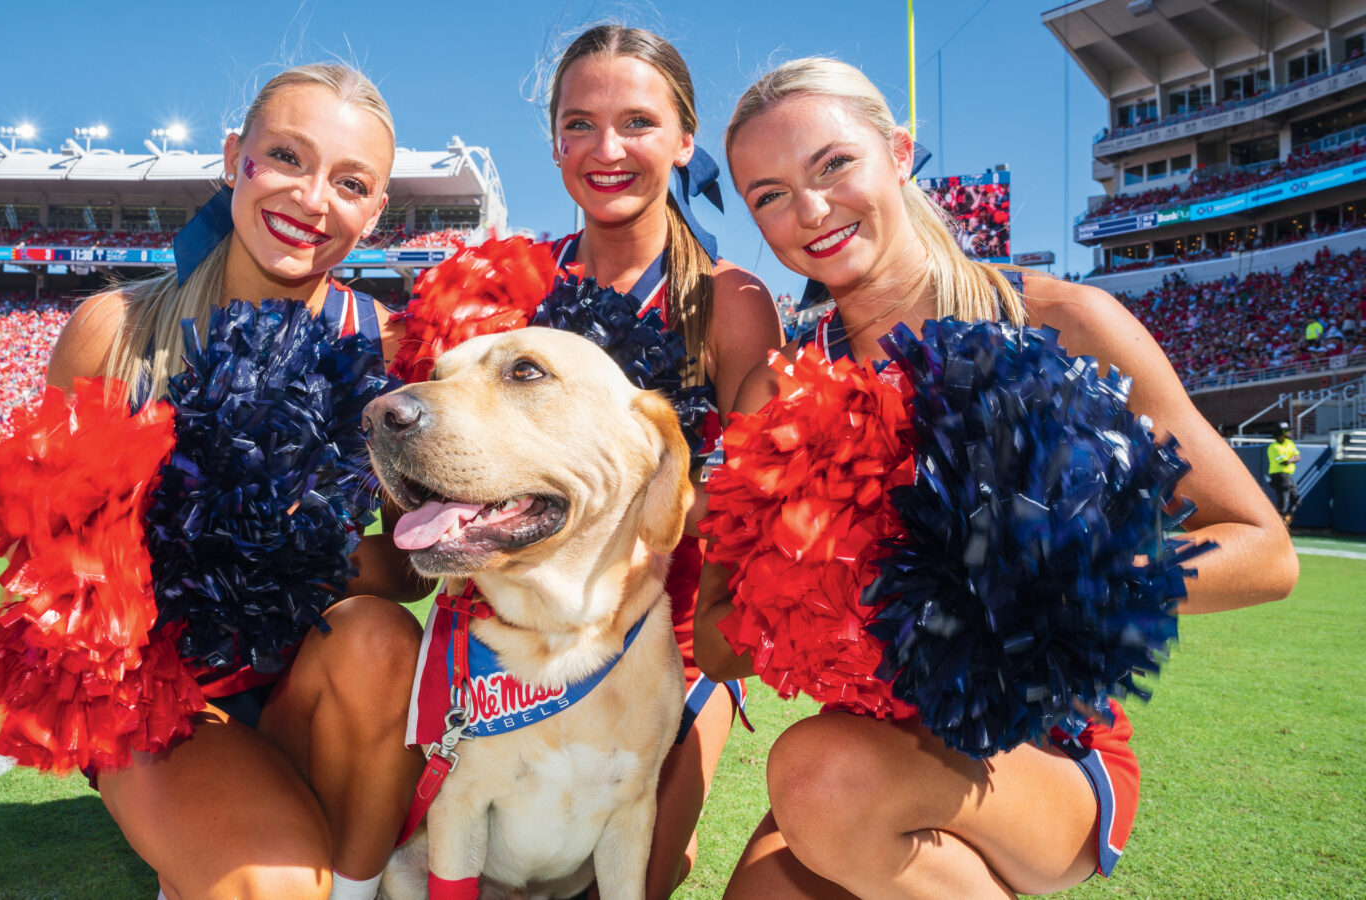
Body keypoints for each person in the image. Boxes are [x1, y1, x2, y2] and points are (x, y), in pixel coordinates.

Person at [701, 57, 1298, 899]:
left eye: (833, 164)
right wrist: (838, 603)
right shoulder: (777, 388)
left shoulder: (1060, 320)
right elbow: (719, 637)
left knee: (814, 774)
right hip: (875, 753)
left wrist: (1056, 587)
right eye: (767, 193)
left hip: (1046, 752)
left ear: (899, 152)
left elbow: (1266, 552)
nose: (809, 209)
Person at [43, 64, 426, 900]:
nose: (312, 199)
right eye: (287, 157)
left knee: (382, 639)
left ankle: (356, 888)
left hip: (316, 677)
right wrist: (185, 557)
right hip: (161, 697)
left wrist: (294, 562)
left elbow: (408, 567)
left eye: (349, 182)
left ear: (375, 212)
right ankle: (210, 834)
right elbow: (50, 578)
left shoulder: (392, 348)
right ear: (233, 158)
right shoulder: (112, 332)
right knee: (271, 886)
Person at [544, 25, 785, 899]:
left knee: (626, 878)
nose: (606, 150)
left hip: (672, 644)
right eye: (580, 124)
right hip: (527, 636)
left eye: (638, 122)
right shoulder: (513, 286)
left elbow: (752, 518)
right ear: (555, 138)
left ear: (686, 139)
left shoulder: (732, 302)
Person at [1267, 421, 1302, 527]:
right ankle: (1277, 526)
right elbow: (1284, 462)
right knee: (1283, 502)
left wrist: (1291, 459)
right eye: (1287, 431)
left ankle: (1286, 520)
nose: (1289, 432)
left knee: (1297, 500)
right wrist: (1292, 458)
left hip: (1288, 476)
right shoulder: (1273, 447)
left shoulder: (1290, 443)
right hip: (1279, 476)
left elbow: (1298, 457)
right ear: (1280, 433)